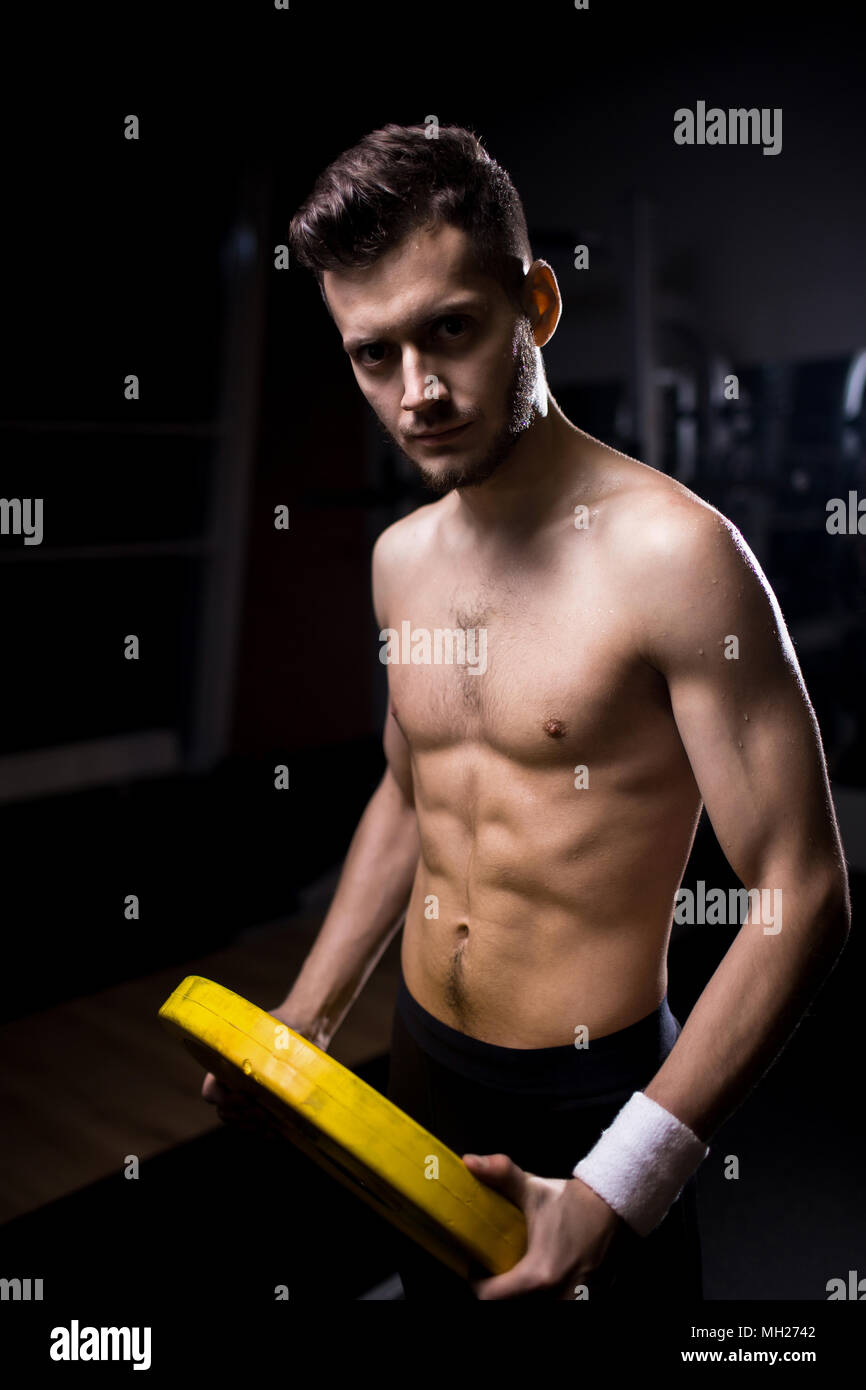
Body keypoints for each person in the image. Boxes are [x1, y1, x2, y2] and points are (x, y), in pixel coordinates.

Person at [203, 124, 850, 1301]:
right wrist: (305, 1016)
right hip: (419, 1059)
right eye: (373, 354)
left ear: (534, 305)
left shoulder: (679, 558)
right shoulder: (399, 558)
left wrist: (617, 1182)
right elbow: (410, 788)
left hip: (592, 1097)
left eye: (449, 329)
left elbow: (801, 890)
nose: (416, 393)